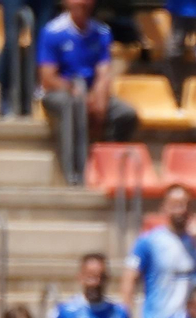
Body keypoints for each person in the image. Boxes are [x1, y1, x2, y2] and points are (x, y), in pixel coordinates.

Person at [37, 0, 138, 186]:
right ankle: (74, 172)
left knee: (125, 113)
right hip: (61, 91)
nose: (82, 5)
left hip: (91, 90)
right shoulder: (53, 31)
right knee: (72, 106)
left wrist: (99, 96)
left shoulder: (101, 32)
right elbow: (48, 78)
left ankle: (109, 164)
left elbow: (104, 70)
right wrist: (75, 92)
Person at [126, 185, 196, 318]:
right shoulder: (149, 241)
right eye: (175, 205)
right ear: (164, 207)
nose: (181, 210)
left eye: (185, 205)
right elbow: (129, 279)